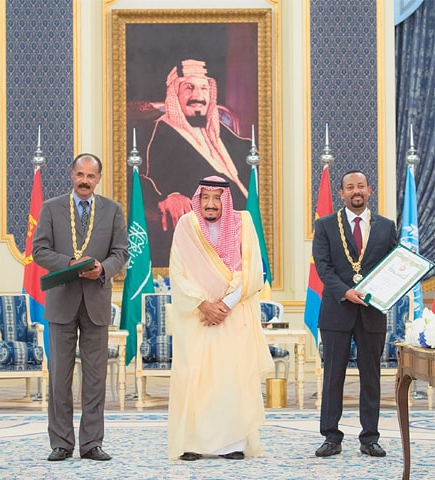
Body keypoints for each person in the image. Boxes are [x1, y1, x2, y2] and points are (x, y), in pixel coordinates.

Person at [167, 175, 274, 461]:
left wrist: (224, 304)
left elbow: (252, 273)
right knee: (194, 378)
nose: (211, 204)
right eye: (205, 198)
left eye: (217, 198)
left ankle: (232, 444)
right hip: (196, 317)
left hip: (233, 315)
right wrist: (203, 304)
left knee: (231, 379)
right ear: (198, 199)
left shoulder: (244, 223)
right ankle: (192, 443)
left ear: (225, 199)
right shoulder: (186, 225)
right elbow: (178, 272)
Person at [33, 153, 128, 462]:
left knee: (95, 378)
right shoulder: (51, 208)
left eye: (91, 176)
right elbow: (39, 251)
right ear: (71, 174)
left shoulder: (113, 210)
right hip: (61, 302)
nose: (85, 181)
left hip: (96, 302)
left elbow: (121, 252)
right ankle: (61, 443)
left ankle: (91, 444)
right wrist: (70, 264)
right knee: (60, 376)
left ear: (98, 179)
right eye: (80, 175)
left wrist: (103, 269)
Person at [312, 170, 397, 458]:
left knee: (371, 377)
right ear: (341, 193)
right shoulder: (324, 226)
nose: (356, 191)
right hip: (337, 310)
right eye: (350, 187)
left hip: (373, 313)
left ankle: (370, 438)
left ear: (369, 190)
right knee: (333, 375)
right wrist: (345, 292)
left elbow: (395, 265)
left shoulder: (386, 227)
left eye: (360, 186)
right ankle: (331, 438)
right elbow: (323, 267)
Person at [139, 59, 252, 267]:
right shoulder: (161, 132)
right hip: (205, 235)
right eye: (189, 88)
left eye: (204, 88)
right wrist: (167, 196)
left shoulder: (218, 130)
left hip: (245, 226)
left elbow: (250, 159)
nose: (198, 97)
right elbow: (142, 176)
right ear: (175, 94)